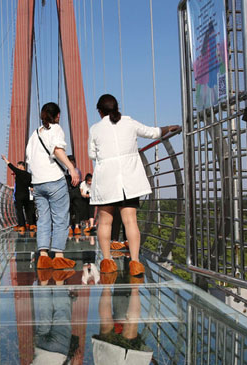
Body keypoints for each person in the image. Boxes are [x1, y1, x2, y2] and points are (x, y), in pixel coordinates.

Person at [88, 94, 179, 276]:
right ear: (117, 108)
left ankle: (107, 262)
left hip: (107, 181)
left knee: (105, 222)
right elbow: (153, 132)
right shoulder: (129, 122)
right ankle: (135, 263)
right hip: (129, 180)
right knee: (130, 221)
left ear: (100, 111)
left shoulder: (96, 129)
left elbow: (92, 154)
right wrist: (169, 127)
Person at [26, 102, 80, 270]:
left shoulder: (34, 134)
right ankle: (58, 256)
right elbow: (57, 150)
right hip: (54, 180)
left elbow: (29, 159)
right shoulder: (56, 129)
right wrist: (72, 168)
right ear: (57, 116)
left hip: (38, 183)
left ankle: (42, 257)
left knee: (43, 219)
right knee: (60, 218)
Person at [1, 154, 34, 232]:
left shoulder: (18, 172)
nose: (17, 167)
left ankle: (22, 226)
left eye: (18, 166)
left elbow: (10, 165)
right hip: (26, 195)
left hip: (19, 195)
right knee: (28, 210)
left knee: (19, 211)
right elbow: (31, 185)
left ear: (20, 166)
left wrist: (5, 159)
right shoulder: (29, 175)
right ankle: (31, 224)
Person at [66, 155, 84, 236]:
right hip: (68, 191)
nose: (72, 163)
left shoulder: (77, 171)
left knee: (77, 209)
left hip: (76, 190)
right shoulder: (65, 171)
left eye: (73, 162)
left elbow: (79, 181)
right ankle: (69, 227)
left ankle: (77, 226)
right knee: (68, 209)